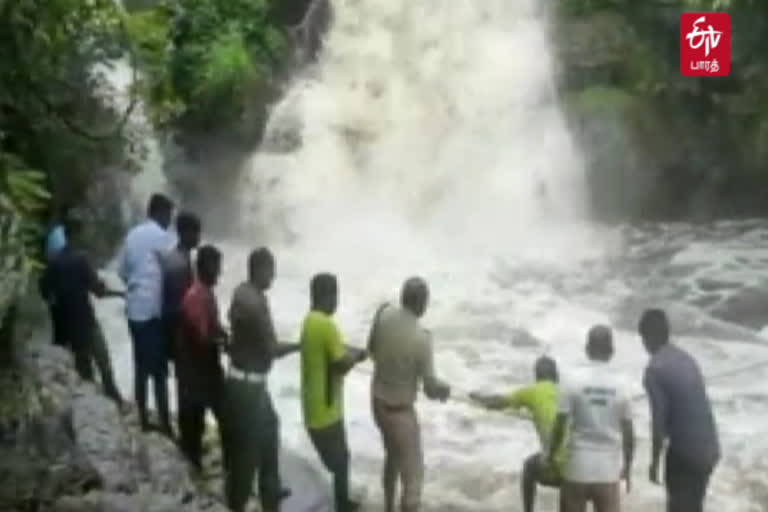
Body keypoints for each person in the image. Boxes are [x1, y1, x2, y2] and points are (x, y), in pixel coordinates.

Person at [367, 277, 450, 512]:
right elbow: (430, 389)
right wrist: (442, 389)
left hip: (377, 401)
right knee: (413, 481)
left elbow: (371, 350)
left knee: (392, 457)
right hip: (399, 412)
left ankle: (388, 506)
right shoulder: (422, 337)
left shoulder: (383, 313)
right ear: (422, 303)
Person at [224, 247, 297, 512]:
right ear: (259, 269)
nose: (273, 277)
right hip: (249, 386)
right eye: (271, 271)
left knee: (271, 426)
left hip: (240, 380)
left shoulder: (241, 291)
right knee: (248, 453)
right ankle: (237, 504)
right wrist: (301, 345)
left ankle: (270, 489)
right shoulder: (256, 303)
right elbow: (272, 350)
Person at [40, 215, 126, 409]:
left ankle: (93, 405)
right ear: (75, 236)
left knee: (84, 369)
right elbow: (98, 290)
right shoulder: (81, 259)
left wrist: (58, 305)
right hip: (87, 321)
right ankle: (114, 402)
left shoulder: (53, 263)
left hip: (68, 326)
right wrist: (120, 293)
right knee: (104, 364)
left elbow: (44, 291)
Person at [638, 309, 719, 512]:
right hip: (710, 448)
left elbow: (659, 423)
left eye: (643, 338)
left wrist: (654, 462)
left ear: (649, 337)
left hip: (687, 453)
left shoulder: (654, 369)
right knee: (693, 506)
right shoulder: (686, 358)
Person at [300, 273, 367, 512]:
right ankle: (342, 506)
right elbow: (341, 364)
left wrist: (352, 351)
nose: (337, 302)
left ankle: (341, 502)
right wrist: (358, 357)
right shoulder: (327, 326)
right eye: (335, 295)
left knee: (338, 460)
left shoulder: (309, 321)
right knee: (341, 462)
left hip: (311, 407)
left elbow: (334, 349)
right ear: (326, 296)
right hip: (326, 412)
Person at [550, 325, 634, 512]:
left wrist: (551, 455)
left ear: (587, 349)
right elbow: (628, 432)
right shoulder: (622, 384)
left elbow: (559, 424)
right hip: (608, 472)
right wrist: (627, 468)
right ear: (611, 351)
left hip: (577, 467)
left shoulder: (572, 379)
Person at [470, 355, 565, 512]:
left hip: (557, 467)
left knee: (529, 467)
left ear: (537, 377)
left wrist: (479, 398)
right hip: (581, 465)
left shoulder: (533, 391)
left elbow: (498, 403)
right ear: (557, 377)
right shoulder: (566, 394)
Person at [118, 193, 175, 434]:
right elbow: (174, 271)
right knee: (160, 371)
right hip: (152, 312)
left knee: (141, 366)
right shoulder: (162, 237)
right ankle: (164, 423)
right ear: (161, 213)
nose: (169, 221)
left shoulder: (132, 235)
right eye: (169, 216)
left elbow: (122, 272)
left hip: (133, 310)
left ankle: (142, 419)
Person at [177, 245, 227, 471]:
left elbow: (212, 328)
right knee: (198, 426)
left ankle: (206, 468)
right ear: (205, 267)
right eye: (217, 266)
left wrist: (224, 334)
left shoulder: (204, 292)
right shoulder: (196, 296)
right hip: (198, 372)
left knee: (215, 420)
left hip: (202, 370)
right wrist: (226, 343)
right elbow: (202, 338)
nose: (220, 272)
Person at [160, 212, 202, 368]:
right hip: (178, 331)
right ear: (185, 233)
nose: (199, 237)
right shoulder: (179, 263)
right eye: (197, 232)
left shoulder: (177, 257)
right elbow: (181, 303)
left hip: (174, 329)